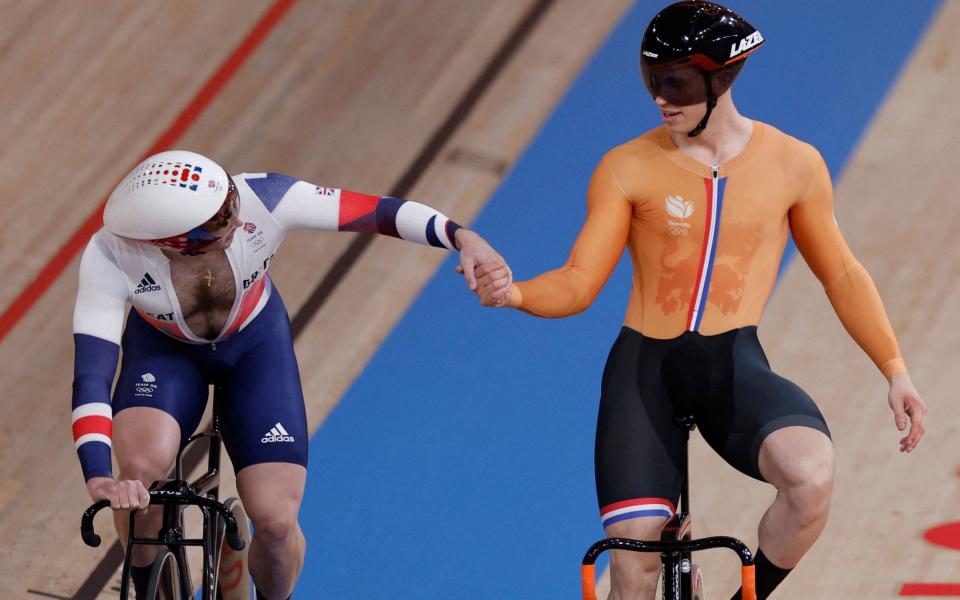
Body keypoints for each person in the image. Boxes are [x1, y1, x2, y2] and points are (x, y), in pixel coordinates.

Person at [470, 2, 927, 598]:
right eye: (652, 80)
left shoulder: (794, 164)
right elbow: (580, 282)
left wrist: (894, 369)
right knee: (632, 573)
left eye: (677, 82)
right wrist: (517, 294)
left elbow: (840, 274)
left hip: (730, 367)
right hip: (645, 375)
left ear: (722, 78)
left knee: (811, 479)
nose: (661, 97)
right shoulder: (625, 167)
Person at [71, 149, 512, 600]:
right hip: (165, 355)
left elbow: (377, 212)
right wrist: (98, 475)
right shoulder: (110, 254)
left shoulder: (265, 197)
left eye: (230, 204)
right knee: (142, 473)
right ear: (176, 241)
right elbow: (92, 375)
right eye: (221, 220)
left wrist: (462, 237)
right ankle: (153, 590)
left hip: (254, 346)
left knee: (277, 520)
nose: (238, 220)